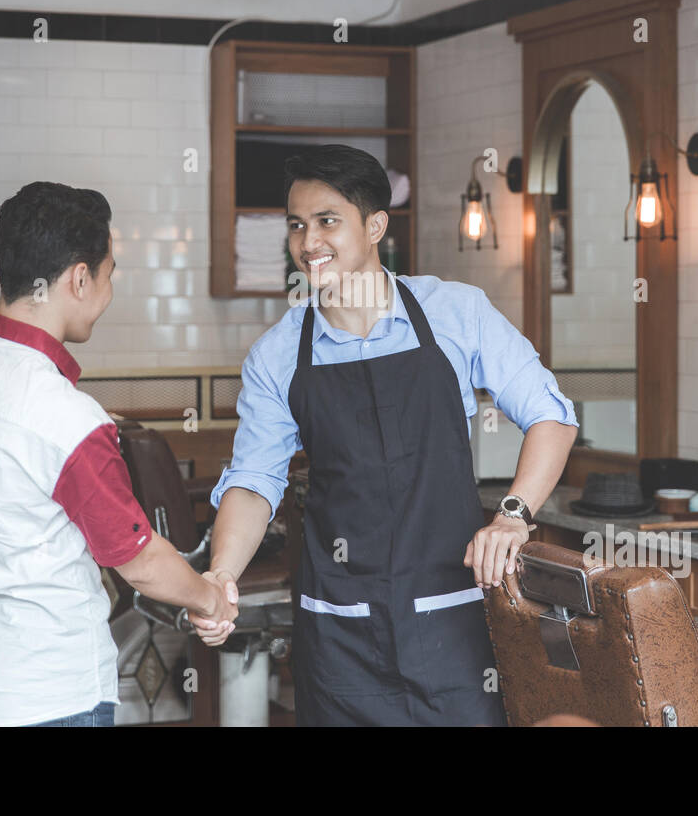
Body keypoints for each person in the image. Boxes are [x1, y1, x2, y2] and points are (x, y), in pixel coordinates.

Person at [195, 145, 579, 726]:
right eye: (297, 224)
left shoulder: (456, 313)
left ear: (375, 225)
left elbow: (552, 415)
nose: (308, 242)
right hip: (339, 629)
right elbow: (254, 480)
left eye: (328, 221)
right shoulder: (276, 355)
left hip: (452, 616)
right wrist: (223, 570)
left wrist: (513, 514)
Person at [0, 181, 238, 727]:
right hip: (57, 699)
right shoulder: (67, 417)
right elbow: (140, 562)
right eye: (110, 275)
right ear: (80, 278)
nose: (108, 291)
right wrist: (209, 599)